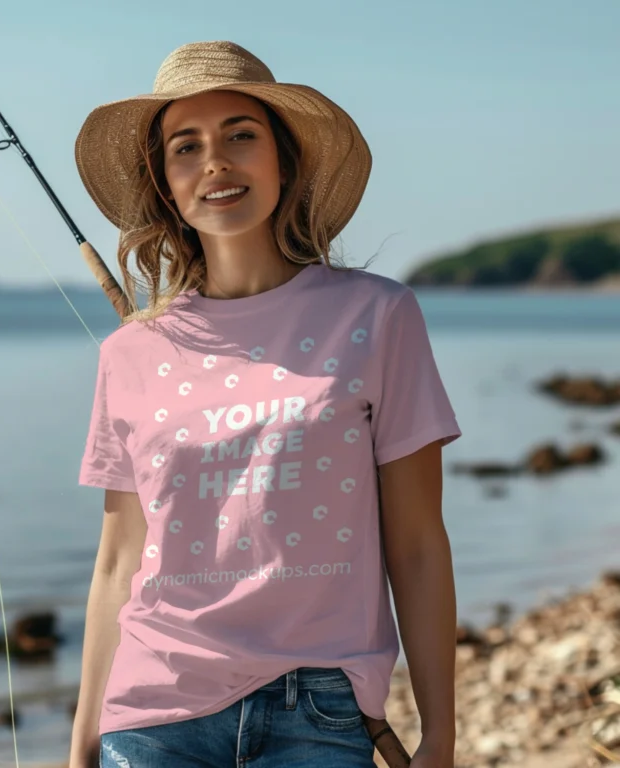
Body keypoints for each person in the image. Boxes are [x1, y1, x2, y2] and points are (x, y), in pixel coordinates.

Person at [69, 40, 461, 768]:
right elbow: (118, 564)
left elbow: (416, 543)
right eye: (187, 147)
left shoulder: (377, 317)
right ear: (167, 185)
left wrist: (441, 732)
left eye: (240, 136)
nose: (215, 162)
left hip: (318, 710)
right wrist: (81, 744)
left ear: (284, 159)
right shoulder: (128, 353)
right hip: (153, 711)